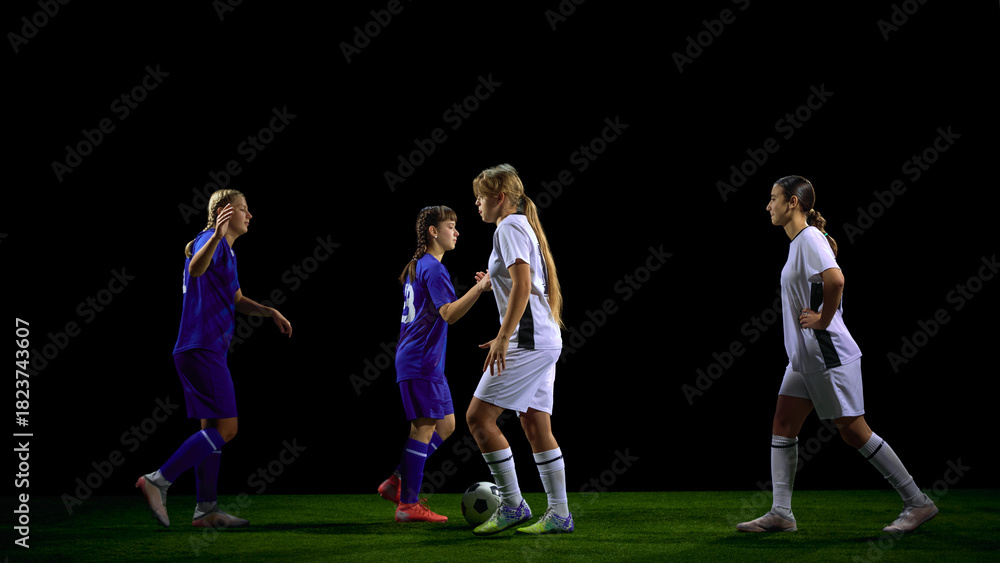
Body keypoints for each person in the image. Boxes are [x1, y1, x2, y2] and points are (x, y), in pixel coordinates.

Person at [736, 175, 937, 534]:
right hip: (805, 358)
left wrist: (823, 319)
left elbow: (836, 280)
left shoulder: (810, 238)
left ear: (792, 203)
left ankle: (917, 502)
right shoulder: (800, 242)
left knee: (853, 431)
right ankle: (781, 513)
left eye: (773, 198)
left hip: (827, 354)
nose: (768, 206)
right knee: (783, 422)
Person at [136, 189, 292, 528]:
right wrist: (217, 235)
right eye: (244, 209)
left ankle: (206, 510)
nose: (250, 215)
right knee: (228, 428)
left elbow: (235, 297)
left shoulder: (227, 252)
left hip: (199, 349)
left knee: (211, 429)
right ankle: (158, 480)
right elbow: (195, 269)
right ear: (224, 212)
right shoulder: (212, 239)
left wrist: (269, 311)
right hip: (201, 346)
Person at [465, 164, 574, 536]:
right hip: (544, 340)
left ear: (499, 198)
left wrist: (502, 336)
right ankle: (559, 514)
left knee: (479, 419)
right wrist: (493, 282)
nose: (476, 203)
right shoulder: (521, 226)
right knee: (535, 425)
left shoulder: (508, 226)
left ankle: (513, 505)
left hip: (527, 341)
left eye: (481, 197)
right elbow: (519, 284)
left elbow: (524, 286)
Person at [378, 205, 493, 523]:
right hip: (420, 361)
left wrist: (477, 290)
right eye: (451, 226)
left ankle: (397, 482)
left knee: (446, 425)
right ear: (433, 231)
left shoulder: (419, 265)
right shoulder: (434, 268)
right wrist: (480, 288)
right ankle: (407, 505)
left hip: (423, 361)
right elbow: (449, 314)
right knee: (424, 428)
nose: (456, 232)